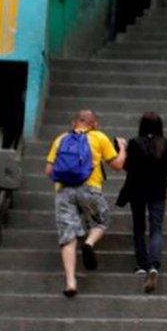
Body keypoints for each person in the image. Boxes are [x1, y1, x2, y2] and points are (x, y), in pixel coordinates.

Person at [45, 109, 126, 297]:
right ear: (94, 124)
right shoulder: (98, 137)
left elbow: (49, 171)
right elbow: (118, 165)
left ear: (75, 122)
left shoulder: (61, 139)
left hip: (64, 191)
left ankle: (71, 282)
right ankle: (89, 242)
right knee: (102, 220)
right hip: (90, 189)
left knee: (68, 236)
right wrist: (122, 148)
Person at [116, 112, 167, 294]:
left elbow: (127, 166)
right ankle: (155, 265)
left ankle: (142, 264)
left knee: (139, 227)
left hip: (137, 191)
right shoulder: (165, 144)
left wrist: (122, 148)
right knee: (156, 228)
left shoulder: (135, 142)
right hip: (158, 192)